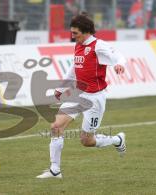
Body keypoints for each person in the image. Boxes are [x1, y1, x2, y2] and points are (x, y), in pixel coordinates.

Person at [36, 13, 126, 179]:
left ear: (85, 32)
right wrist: (61, 88)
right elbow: (74, 69)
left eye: (75, 33)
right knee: (56, 127)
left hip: (94, 99)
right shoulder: (78, 45)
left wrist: (120, 64)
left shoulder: (98, 46)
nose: (72, 36)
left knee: (86, 141)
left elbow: (118, 56)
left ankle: (117, 140)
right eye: (72, 32)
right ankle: (55, 170)